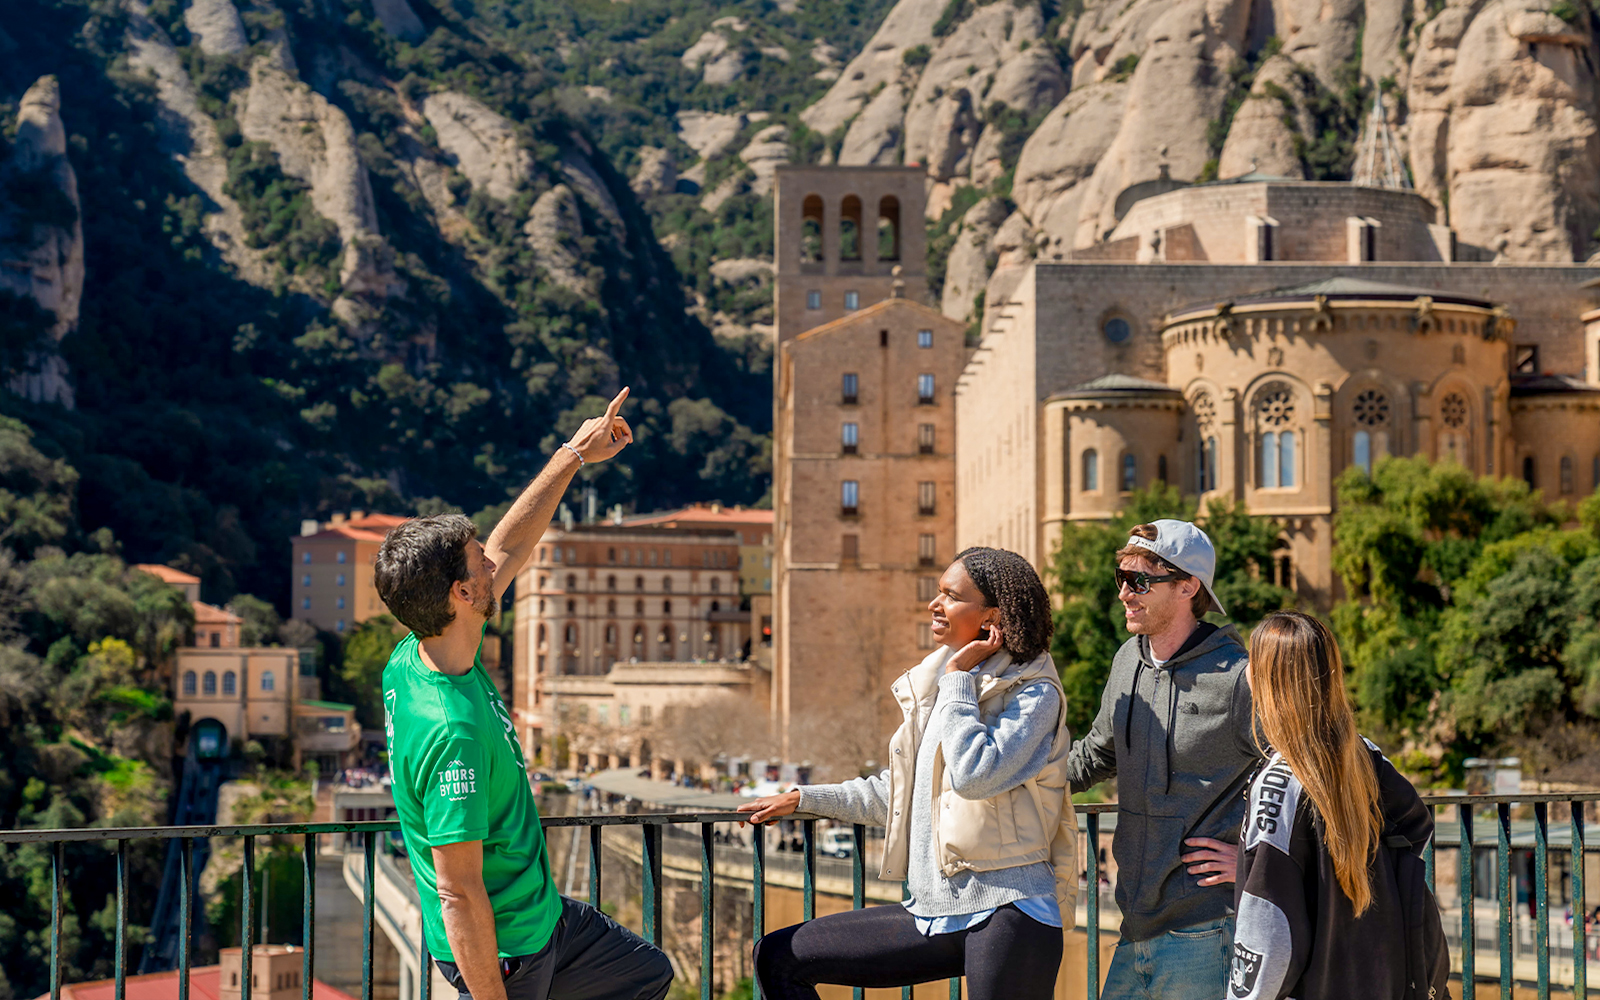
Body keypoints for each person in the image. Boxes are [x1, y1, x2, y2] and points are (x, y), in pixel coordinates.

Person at [377, 388, 674, 1000]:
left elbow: (510, 545)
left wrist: (573, 455)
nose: (492, 564)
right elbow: (456, 889)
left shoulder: (419, 651)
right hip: (505, 947)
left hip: (541, 915)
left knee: (646, 974)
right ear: (461, 593)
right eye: (476, 562)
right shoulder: (451, 731)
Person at [738, 548, 1077, 1000]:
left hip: (1009, 910)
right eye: (938, 593)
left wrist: (957, 675)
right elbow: (900, 794)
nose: (934, 604)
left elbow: (976, 774)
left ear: (991, 616)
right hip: (934, 910)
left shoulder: (1033, 694)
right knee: (779, 957)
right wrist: (803, 798)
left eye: (951, 596)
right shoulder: (943, 687)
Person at [1064, 520, 1261, 1000]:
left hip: (1207, 927)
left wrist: (1257, 863)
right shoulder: (1126, 661)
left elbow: (1311, 780)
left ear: (1188, 587)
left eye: (1139, 582)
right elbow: (1095, 756)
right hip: (1134, 920)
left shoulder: (1241, 678)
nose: (1124, 595)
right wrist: (1009, 782)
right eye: (1122, 580)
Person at [1230, 611, 1444, 1000]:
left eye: (1251, 661)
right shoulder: (1366, 757)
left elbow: (1267, 930)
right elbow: (1418, 828)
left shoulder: (1278, 783)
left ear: (1265, 681)